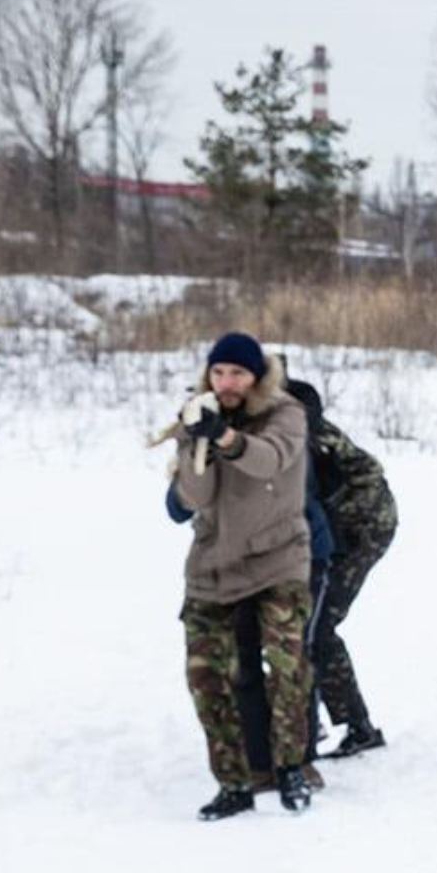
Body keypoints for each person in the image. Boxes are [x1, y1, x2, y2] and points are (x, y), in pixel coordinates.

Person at [171, 331, 315, 820]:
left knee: (287, 664)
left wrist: (227, 438)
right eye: (218, 372)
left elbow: (269, 459)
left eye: (237, 373)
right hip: (213, 565)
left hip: (279, 560)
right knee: (205, 676)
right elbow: (193, 496)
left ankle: (291, 766)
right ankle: (233, 783)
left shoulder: (287, 413)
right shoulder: (200, 416)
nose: (226, 382)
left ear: (256, 377)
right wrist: (197, 443)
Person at [285, 377, 399, 758]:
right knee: (307, 626)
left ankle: (350, 725)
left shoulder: (309, 439)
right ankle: (317, 720)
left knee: (317, 627)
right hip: (338, 529)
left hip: (360, 531)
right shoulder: (296, 429)